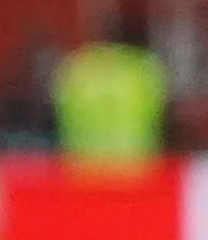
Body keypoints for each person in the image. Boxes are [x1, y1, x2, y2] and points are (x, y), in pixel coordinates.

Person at [55, 16, 168, 163]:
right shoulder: (144, 69)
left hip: (83, 166)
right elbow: (164, 114)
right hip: (134, 166)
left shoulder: (75, 67)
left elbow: (57, 110)